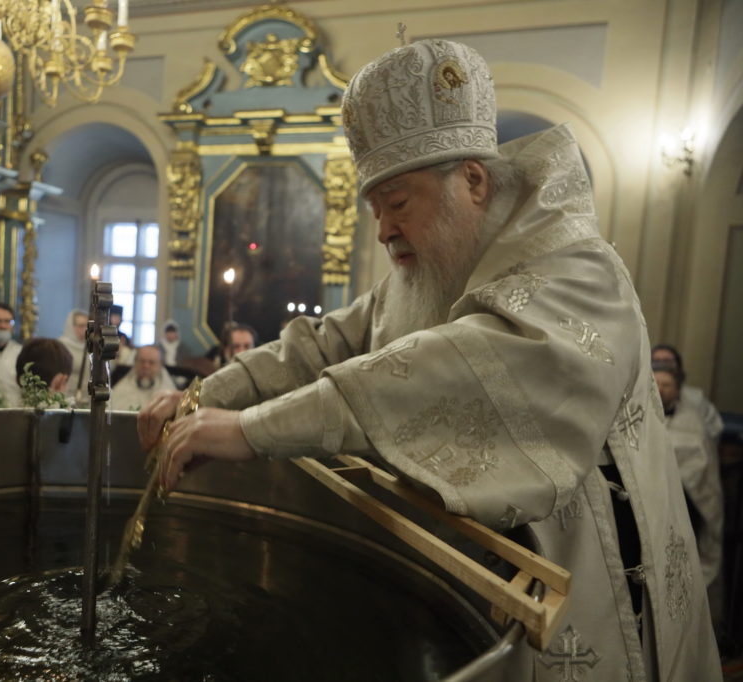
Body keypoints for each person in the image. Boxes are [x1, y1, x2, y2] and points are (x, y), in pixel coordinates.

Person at [138, 38, 719, 680]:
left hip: (596, 591)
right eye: (375, 207)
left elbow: (458, 366)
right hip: (486, 586)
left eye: (399, 202)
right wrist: (204, 396)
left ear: (471, 180)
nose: (383, 228)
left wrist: (250, 432)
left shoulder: (577, 269)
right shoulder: (427, 275)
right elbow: (324, 342)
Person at [653, 365, 723, 593]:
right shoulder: (638, 413)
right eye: (657, 384)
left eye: (667, 385)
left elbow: (702, 467)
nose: (661, 390)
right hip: (652, 499)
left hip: (685, 501)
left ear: (678, 390)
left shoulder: (692, 421)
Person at [652, 344, 723, 444]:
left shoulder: (696, 398)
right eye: (657, 361)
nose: (662, 366)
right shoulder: (635, 397)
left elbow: (713, 431)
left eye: (667, 361)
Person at [111, 345, 176, 411]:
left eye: (151, 362)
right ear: (135, 363)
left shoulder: (167, 390)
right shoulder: (122, 388)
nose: (146, 366)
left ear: (160, 365)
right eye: (142, 361)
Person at [58, 309, 89, 405]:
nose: (85, 329)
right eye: (81, 326)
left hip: (87, 398)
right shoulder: (61, 345)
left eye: (87, 326)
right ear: (71, 326)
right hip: (67, 397)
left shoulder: (91, 346)